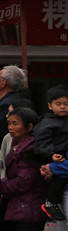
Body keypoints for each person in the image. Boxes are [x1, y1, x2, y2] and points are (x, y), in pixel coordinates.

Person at [1, 107, 48, 231]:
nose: (11, 128)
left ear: (29, 126)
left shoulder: (29, 149)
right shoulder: (17, 143)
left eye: (15, 124)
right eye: (10, 123)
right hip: (23, 204)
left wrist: (1, 187)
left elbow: (25, 181)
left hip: (28, 204)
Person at [35, 86, 68, 220]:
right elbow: (41, 142)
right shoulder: (47, 123)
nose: (63, 107)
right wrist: (50, 154)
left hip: (61, 156)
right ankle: (51, 202)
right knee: (58, 178)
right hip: (51, 155)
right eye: (58, 104)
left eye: (66, 104)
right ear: (50, 106)